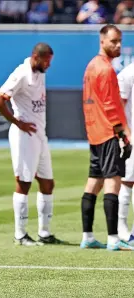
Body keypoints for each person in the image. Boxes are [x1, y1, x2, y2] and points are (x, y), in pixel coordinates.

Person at [0, 43, 63, 246]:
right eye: (46, 61)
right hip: (24, 135)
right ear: (35, 56)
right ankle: (20, 234)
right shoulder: (22, 73)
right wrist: (18, 122)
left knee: (47, 183)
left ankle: (44, 232)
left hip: (40, 134)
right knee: (24, 182)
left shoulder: (39, 72)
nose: (48, 65)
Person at [80, 24, 133, 251]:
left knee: (93, 183)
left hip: (95, 132)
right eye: (113, 41)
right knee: (113, 183)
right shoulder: (106, 69)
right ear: (102, 41)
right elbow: (112, 105)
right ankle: (113, 238)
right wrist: (123, 133)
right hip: (109, 132)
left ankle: (88, 236)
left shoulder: (92, 66)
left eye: (119, 41)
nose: (118, 45)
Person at [116, 62, 134, 244]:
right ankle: (121, 228)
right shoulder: (128, 73)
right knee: (127, 181)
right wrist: (125, 133)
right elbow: (119, 106)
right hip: (132, 135)